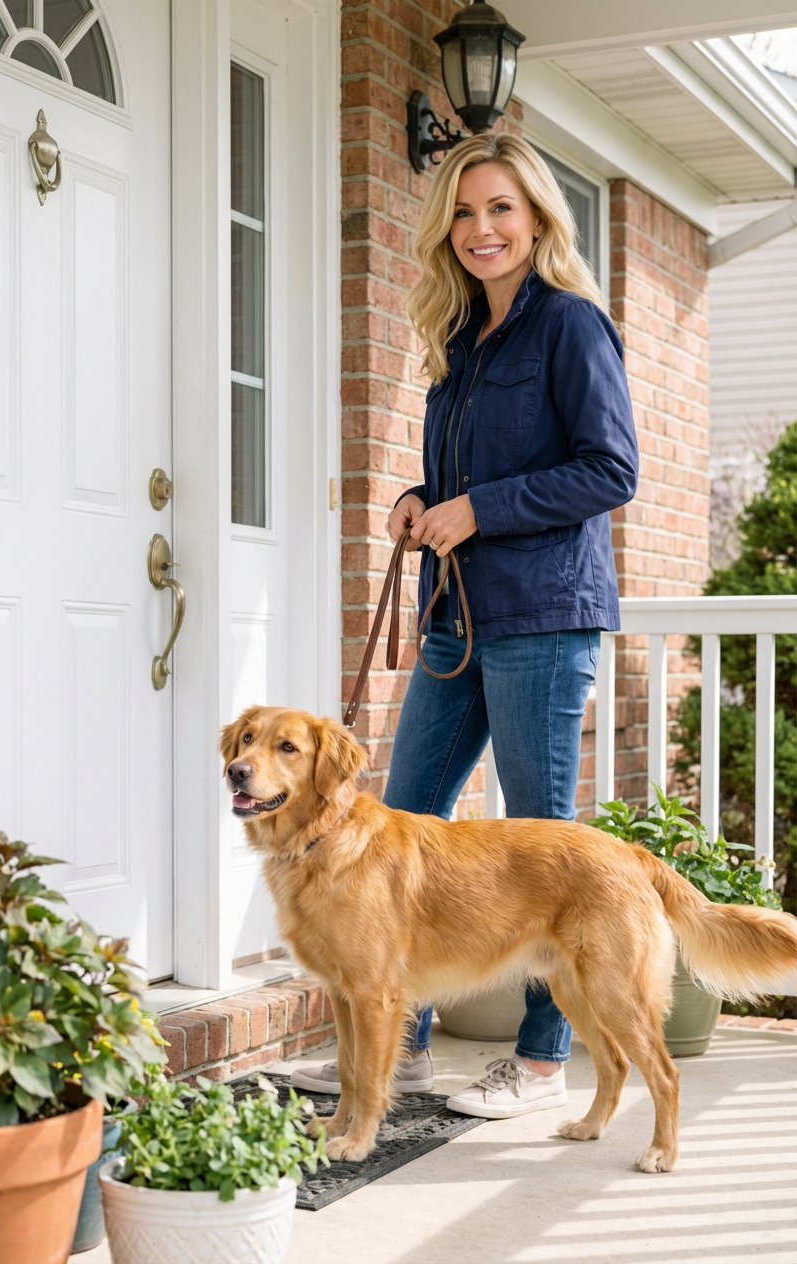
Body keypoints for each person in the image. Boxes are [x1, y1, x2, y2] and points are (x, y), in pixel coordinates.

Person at [291, 132, 638, 1118]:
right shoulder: (457, 342)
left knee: (539, 846)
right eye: (462, 212)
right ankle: (390, 1049)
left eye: (498, 210)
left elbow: (609, 470)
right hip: (454, 617)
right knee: (393, 820)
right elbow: (457, 484)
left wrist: (478, 508)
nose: (480, 229)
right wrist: (420, 498)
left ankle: (537, 1061)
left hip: (538, 619)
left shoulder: (570, 328)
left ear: (534, 218)